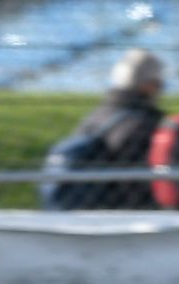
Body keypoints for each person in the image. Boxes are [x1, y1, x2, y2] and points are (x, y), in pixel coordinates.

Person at [40, 49, 166, 211]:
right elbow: (138, 183)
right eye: (159, 84)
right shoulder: (145, 123)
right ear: (148, 85)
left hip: (89, 209)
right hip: (126, 213)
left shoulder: (96, 116)